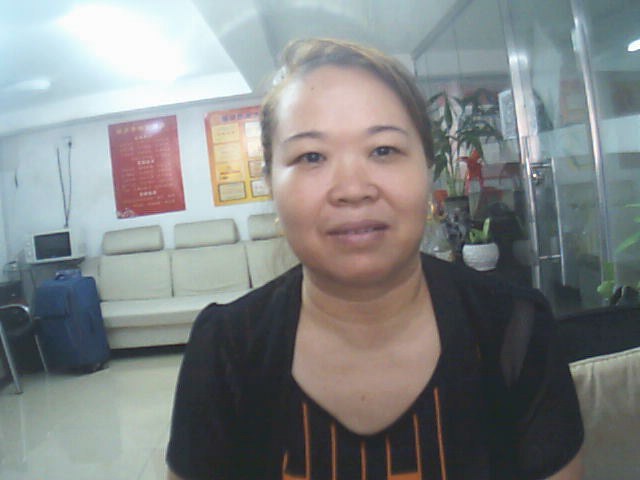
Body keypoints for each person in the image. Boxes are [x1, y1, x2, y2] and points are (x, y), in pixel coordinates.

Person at [166, 38, 584, 480]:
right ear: (270, 182)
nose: (353, 189)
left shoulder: (514, 331)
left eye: (383, 150)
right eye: (311, 156)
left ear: (428, 168)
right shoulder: (226, 349)